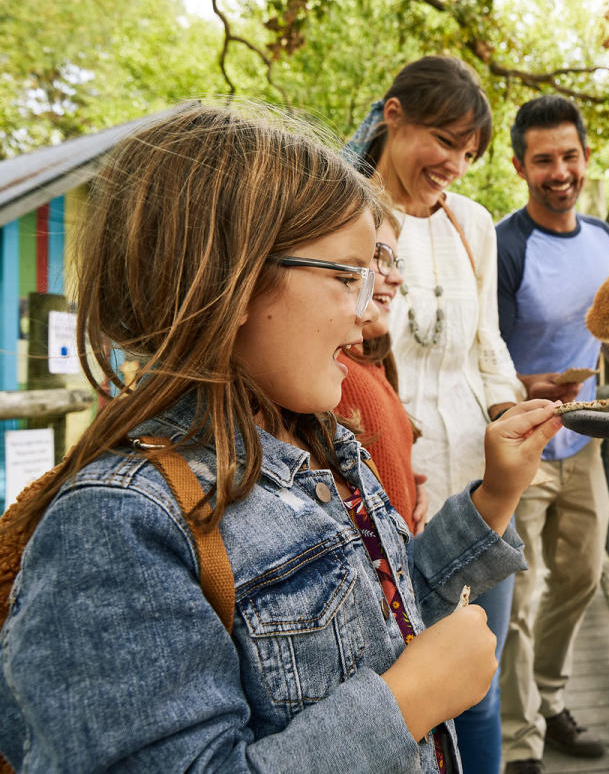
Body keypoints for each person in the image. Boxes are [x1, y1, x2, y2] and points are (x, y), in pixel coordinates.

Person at [0, 104, 562, 774]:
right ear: (231, 281)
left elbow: (377, 612)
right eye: (345, 276)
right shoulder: (117, 527)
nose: (364, 315)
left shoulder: (321, 446)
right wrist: (407, 700)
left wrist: (496, 495)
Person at [343, 55, 523, 774]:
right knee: (395, 688)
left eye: (468, 152)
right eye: (443, 141)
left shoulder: (473, 225)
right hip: (383, 478)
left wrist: (514, 414)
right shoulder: (342, 215)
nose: (454, 163)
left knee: (479, 680)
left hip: (477, 487)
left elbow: (488, 345)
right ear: (393, 117)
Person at [495, 95, 609, 774]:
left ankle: (549, 696)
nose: (559, 170)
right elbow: (486, 354)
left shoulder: (602, 237)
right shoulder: (508, 246)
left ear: (586, 158)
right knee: (522, 589)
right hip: (521, 440)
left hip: (585, 434)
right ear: (520, 166)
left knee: (580, 575)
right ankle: (520, 743)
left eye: (569, 156)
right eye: (543, 160)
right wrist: (531, 384)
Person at [335, 204, 429, 533]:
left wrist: (405, 482)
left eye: (395, 260)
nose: (397, 276)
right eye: (379, 255)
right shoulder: (336, 372)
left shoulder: (368, 360)